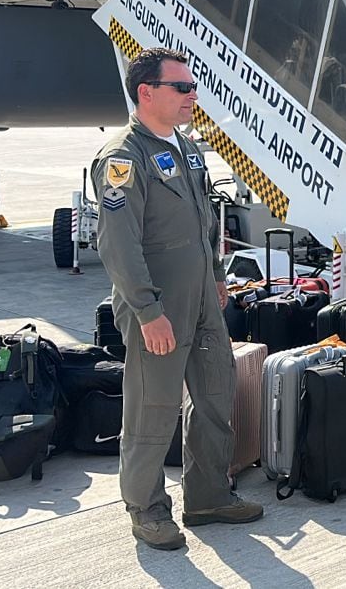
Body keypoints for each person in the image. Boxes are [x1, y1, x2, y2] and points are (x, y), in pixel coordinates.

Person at [94, 48, 262, 551]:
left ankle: (209, 495)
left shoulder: (187, 149)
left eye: (192, 87)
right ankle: (145, 509)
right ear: (147, 93)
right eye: (182, 88)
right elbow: (118, 245)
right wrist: (148, 312)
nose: (193, 95)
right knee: (154, 408)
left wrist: (215, 277)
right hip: (158, 307)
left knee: (215, 394)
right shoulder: (124, 157)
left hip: (203, 300)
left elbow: (202, 222)